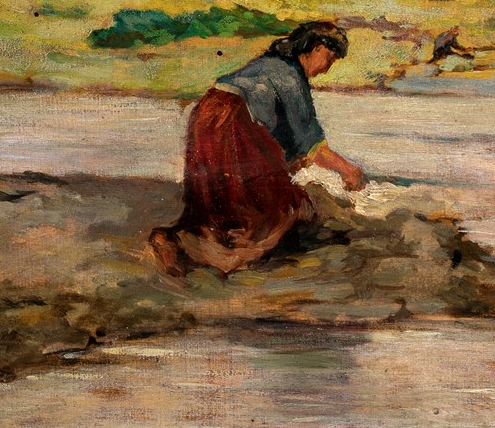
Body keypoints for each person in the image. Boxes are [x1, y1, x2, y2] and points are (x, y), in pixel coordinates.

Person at [148, 20, 367, 277]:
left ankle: (177, 240)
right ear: (317, 47)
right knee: (276, 208)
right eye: (330, 59)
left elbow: (281, 134)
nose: (327, 69)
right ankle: (203, 253)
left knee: (218, 200)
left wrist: (292, 163)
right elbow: (310, 143)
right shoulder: (290, 74)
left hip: (206, 115)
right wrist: (348, 170)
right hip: (232, 121)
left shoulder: (269, 64)